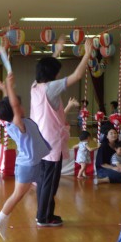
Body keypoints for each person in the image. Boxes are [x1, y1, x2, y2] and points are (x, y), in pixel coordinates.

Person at [29, 36, 92, 226]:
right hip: (51, 142)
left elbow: (46, 68)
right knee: (50, 182)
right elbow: (77, 76)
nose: (58, 75)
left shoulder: (35, 86)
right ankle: (43, 217)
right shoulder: (51, 87)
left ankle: (45, 214)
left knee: (44, 180)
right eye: (56, 72)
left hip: (40, 140)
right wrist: (88, 54)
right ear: (52, 75)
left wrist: (56, 51)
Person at [0, 72, 51, 240]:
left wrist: (4, 89)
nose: (22, 107)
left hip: (30, 163)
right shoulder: (18, 124)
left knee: (31, 190)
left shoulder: (12, 122)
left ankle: (2, 221)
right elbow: (14, 106)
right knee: (17, 196)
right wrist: (9, 86)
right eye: (19, 106)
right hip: (28, 165)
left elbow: (10, 107)